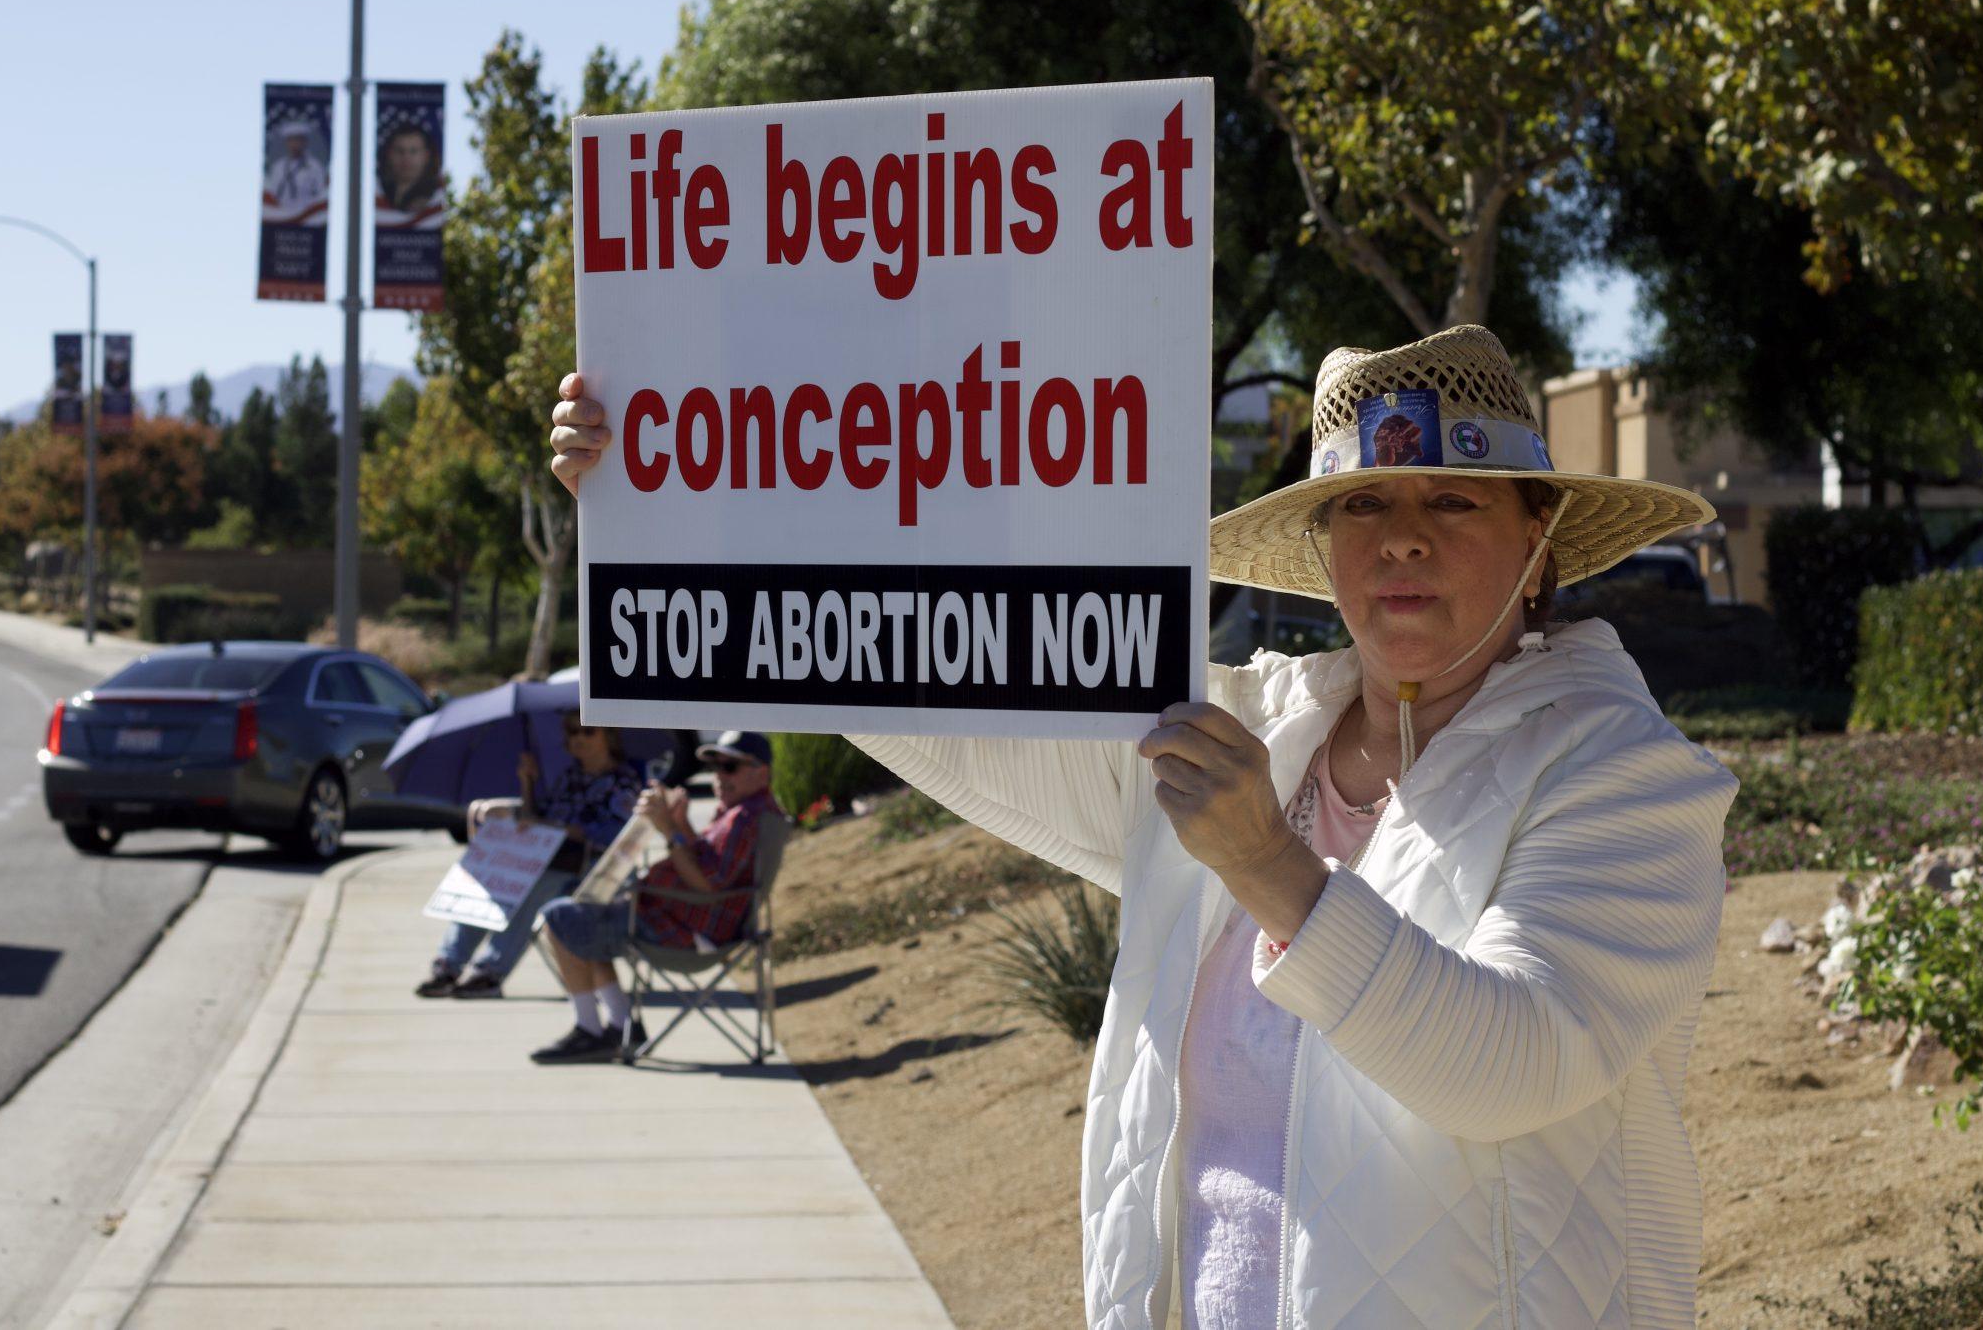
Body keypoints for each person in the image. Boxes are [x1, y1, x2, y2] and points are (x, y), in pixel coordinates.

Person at [545, 325, 1737, 1329]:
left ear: (1537, 548)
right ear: (1323, 553)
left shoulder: (1625, 776)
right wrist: (675, 496)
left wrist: (1272, 869)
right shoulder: (1244, 728)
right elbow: (924, 693)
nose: (1403, 534)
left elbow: (1516, 1061)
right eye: (1362, 501)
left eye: (1452, 499)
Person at [525, 731, 781, 1063]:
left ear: (761, 772)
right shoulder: (745, 810)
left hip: (684, 931)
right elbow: (706, 860)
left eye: (729, 767)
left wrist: (668, 830)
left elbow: (707, 886)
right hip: (680, 919)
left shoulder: (745, 818)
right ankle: (619, 1025)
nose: (719, 776)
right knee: (581, 918)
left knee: (558, 918)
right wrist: (680, 823)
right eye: (716, 768)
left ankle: (593, 1029)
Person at [415, 710, 643, 999]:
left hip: (589, 868)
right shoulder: (570, 776)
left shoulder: (623, 781)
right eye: (572, 732)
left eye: (588, 731)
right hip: (546, 857)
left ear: (608, 736)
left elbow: (614, 837)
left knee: (533, 885)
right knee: (488, 877)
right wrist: (527, 782)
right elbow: (537, 818)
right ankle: (448, 964)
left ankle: (490, 972)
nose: (578, 739)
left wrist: (563, 829)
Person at [375, 122, 444, 216]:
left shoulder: (432, 194)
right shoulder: (382, 190)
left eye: (413, 151)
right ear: (389, 155)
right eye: (399, 151)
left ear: (426, 156)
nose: (406, 158)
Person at [263, 125, 329, 216]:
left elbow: (320, 192)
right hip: (281, 213)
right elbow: (272, 191)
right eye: (291, 140)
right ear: (287, 143)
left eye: (298, 140)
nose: (294, 144)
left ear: (304, 142)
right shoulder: (278, 167)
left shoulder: (314, 167)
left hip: (307, 213)